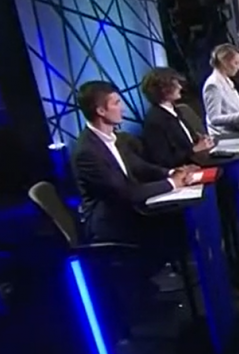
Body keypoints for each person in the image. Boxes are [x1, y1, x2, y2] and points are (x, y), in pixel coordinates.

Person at [72, 81, 193, 244]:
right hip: (111, 222)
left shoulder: (115, 138)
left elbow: (139, 166)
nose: (122, 108)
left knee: (185, 217)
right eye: (116, 103)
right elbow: (125, 192)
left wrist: (171, 172)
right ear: (101, 111)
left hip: (129, 209)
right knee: (176, 227)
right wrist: (172, 183)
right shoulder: (87, 152)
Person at [140, 67, 214, 169]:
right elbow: (163, 159)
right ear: (163, 89)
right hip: (183, 170)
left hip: (196, 162)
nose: (180, 87)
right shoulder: (154, 121)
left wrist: (200, 140)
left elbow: (187, 141)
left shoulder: (175, 110)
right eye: (175, 84)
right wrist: (194, 150)